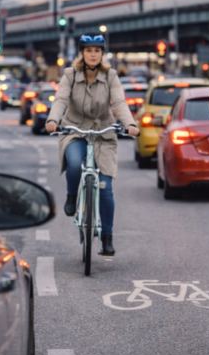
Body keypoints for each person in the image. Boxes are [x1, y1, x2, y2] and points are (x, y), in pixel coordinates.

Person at [45, 34, 139, 256]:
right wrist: (52, 120)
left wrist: (130, 124)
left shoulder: (111, 76)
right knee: (75, 164)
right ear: (82, 53)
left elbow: (119, 101)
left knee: (105, 187)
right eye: (89, 50)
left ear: (102, 54)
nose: (93, 54)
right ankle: (71, 195)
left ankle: (106, 237)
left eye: (97, 50)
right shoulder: (70, 74)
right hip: (75, 130)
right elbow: (60, 99)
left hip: (103, 133)